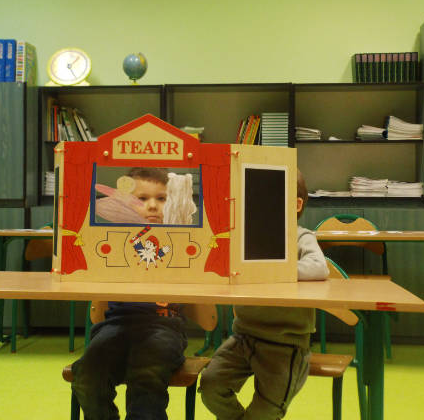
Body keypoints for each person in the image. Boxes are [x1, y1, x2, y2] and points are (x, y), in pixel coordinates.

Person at [199, 168, 329, 420]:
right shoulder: (245, 237)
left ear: (296, 205)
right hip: (244, 336)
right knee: (211, 385)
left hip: (286, 343)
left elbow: (319, 267)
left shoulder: (301, 237)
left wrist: (271, 270)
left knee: (265, 411)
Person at [71, 166, 187, 420]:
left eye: (162, 198)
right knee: (88, 376)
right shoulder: (112, 241)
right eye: (141, 199)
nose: (153, 206)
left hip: (163, 326)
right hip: (117, 323)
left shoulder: (183, 241)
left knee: (147, 376)